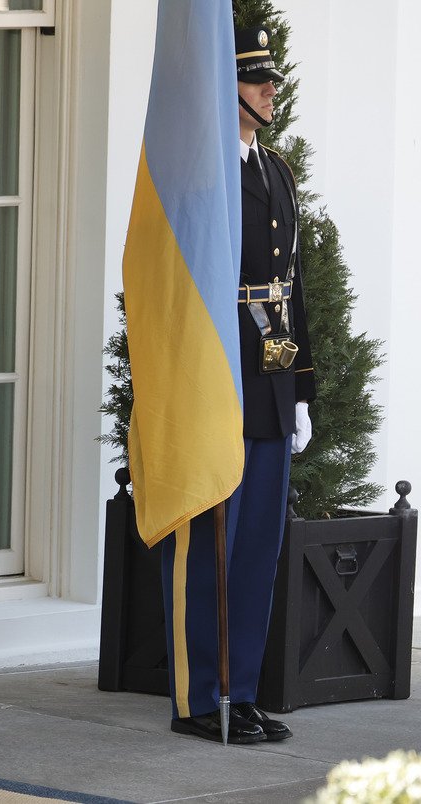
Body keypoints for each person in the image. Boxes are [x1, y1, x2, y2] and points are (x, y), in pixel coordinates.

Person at [161, 26, 315, 745]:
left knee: (257, 546)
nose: (270, 92)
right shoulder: (202, 173)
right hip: (217, 374)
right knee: (209, 548)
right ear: (228, 92)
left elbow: (291, 288)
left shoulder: (275, 170)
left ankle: (241, 690)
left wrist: (301, 390)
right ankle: (199, 698)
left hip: (270, 380)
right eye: (257, 81)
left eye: (271, 80)